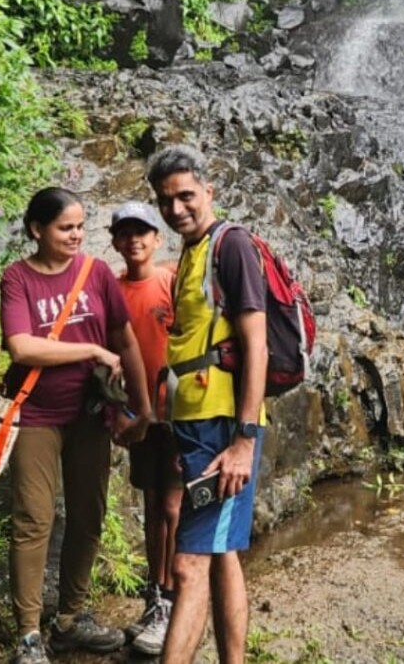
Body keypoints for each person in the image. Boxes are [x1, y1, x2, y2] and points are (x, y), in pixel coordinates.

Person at [0, 187, 152, 664]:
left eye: (81, 227)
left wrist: (142, 409)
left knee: (88, 516)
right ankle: (28, 635)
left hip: (90, 416)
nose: (76, 235)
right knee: (33, 519)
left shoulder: (96, 273)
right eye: (66, 228)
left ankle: (69, 620)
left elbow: (125, 342)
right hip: (36, 417)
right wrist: (88, 351)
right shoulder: (18, 278)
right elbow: (22, 347)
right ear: (36, 230)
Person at [147, 145, 268, 664]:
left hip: (224, 431)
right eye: (165, 200)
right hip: (197, 428)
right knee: (221, 558)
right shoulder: (192, 253)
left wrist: (245, 441)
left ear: (209, 192)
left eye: (186, 196)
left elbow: (255, 345)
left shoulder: (231, 245)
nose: (176, 209)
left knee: (188, 566)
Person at [108, 200, 182, 656]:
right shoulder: (112, 292)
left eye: (143, 233)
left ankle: (172, 601)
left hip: (176, 412)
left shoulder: (172, 282)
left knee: (174, 507)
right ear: (115, 241)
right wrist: (120, 411)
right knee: (153, 506)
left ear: (157, 238)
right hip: (140, 417)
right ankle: (154, 597)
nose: (134, 241)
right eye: (125, 234)